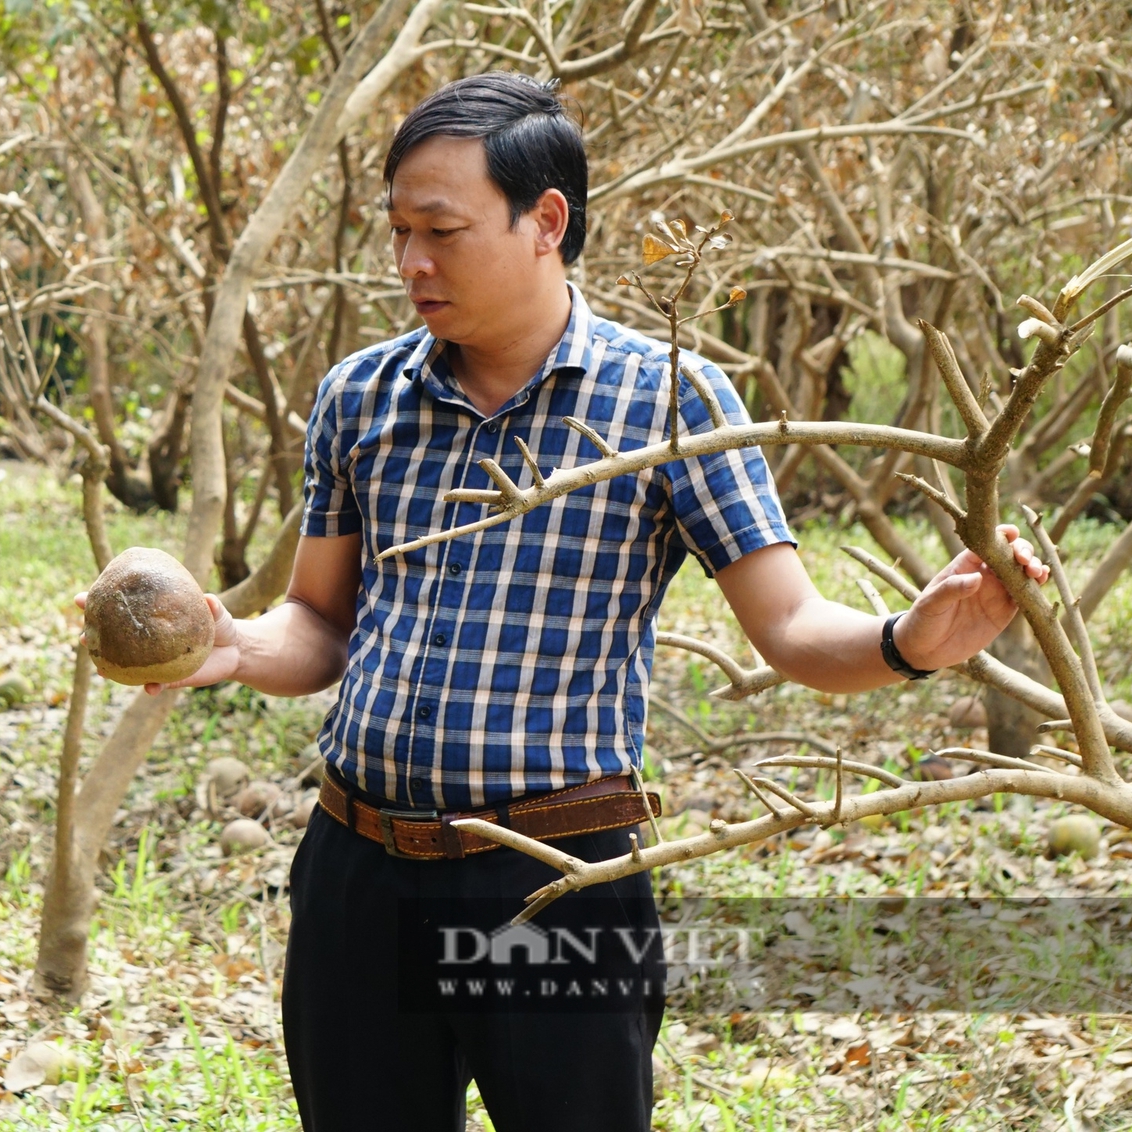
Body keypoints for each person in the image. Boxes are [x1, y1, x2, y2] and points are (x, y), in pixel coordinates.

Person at [146, 74, 1050, 1130]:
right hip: (357, 869)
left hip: (553, 880)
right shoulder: (360, 396)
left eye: (440, 229)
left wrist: (905, 640)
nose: (409, 263)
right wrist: (239, 645)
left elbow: (793, 628)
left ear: (546, 221)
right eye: (396, 231)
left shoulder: (667, 399)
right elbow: (320, 621)